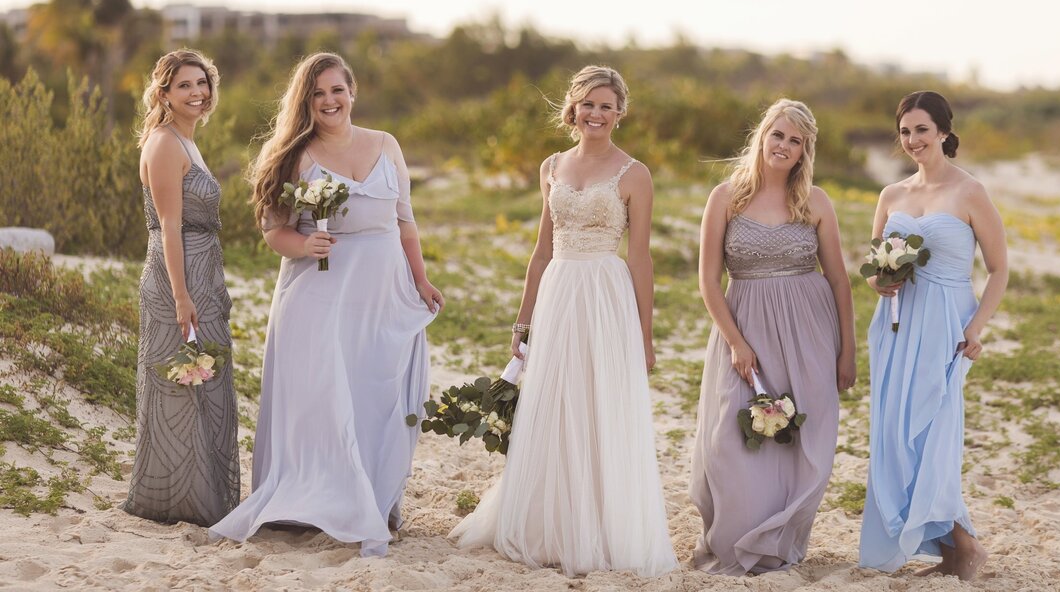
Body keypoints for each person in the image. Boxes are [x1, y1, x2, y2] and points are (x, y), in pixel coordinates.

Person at [209, 52, 443, 557]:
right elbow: (274, 230)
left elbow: (405, 221)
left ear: (352, 92)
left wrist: (421, 280)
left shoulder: (386, 145)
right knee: (325, 395)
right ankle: (310, 504)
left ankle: (373, 500)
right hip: (321, 293)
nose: (330, 101)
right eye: (318, 94)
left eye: (337, 90)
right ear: (306, 102)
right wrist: (304, 245)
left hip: (382, 291)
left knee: (377, 395)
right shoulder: (298, 156)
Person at [451, 66, 677, 577]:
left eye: (606, 105)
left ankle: (600, 526)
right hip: (558, 289)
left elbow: (640, 258)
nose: (596, 114)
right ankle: (549, 523)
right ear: (572, 109)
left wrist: (645, 335)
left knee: (599, 401)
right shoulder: (550, 165)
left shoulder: (634, 173)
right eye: (587, 104)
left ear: (620, 113)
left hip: (605, 294)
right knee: (554, 401)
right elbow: (540, 250)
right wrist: (521, 321)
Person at [690, 98, 856, 574]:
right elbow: (707, 281)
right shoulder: (725, 197)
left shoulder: (815, 201)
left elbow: (839, 280)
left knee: (798, 437)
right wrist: (738, 343)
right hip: (744, 325)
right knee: (731, 438)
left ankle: (778, 542)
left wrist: (848, 351)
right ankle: (734, 539)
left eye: (795, 140)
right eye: (777, 135)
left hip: (809, 331)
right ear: (761, 137)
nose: (783, 145)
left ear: (805, 150)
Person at [859, 90, 1007, 580]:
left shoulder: (970, 192)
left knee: (933, 432)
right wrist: (880, 282)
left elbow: (999, 268)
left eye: (921, 130)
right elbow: (876, 264)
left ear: (943, 131)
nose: (912, 140)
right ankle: (943, 547)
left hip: (946, 323)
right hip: (897, 325)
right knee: (895, 434)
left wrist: (975, 327)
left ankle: (964, 546)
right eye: (905, 132)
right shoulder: (892, 195)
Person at [125, 49, 238, 526]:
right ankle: (177, 503)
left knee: (205, 385)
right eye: (184, 85)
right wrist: (181, 295)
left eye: (202, 83)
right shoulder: (166, 143)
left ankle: (206, 499)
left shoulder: (189, 140)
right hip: (180, 276)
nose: (197, 93)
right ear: (164, 94)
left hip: (204, 274)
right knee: (181, 385)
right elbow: (168, 228)